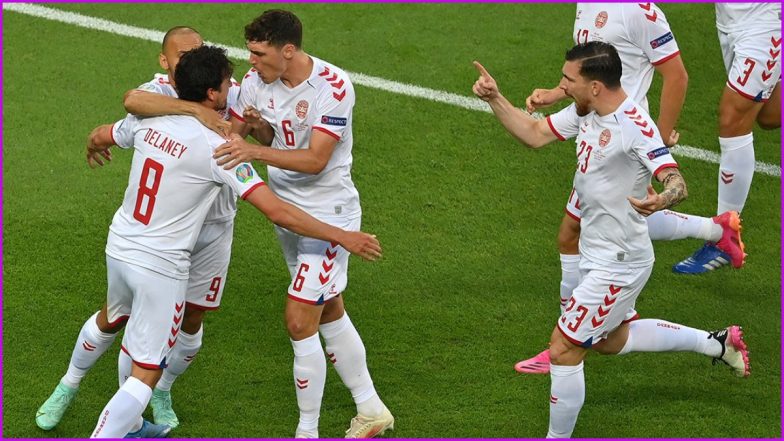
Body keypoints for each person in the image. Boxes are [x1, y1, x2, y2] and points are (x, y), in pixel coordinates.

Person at [83, 44, 381, 438]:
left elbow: (104, 131)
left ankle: (133, 425)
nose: (236, 87)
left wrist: (95, 140)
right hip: (163, 266)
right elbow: (276, 210)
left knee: (134, 343)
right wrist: (342, 236)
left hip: (120, 247)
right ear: (212, 95)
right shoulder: (219, 151)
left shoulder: (146, 120)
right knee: (148, 369)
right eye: (227, 84)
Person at [473, 41, 749, 438]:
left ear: (596, 86)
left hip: (620, 264)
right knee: (611, 340)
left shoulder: (634, 126)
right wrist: (495, 98)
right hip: (598, 254)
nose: (562, 87)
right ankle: (719, 344)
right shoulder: (585, 111)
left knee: (564, 349)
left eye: (569, 80)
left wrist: (663, 198)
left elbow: (675, 180)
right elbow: (534, 134)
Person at [516, 2, 744, 375]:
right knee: (609, 334)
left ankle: (567, 336)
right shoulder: (585, 6)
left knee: (576, 231)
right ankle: (718, 237)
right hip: (594, 124)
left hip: (622, 142)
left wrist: (660, 137)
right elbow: (587, 67)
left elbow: (677, 76)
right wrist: (560, 92)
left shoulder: (641, 11)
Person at [35, 27, 238, 432]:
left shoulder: (226, 84)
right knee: (116, 315)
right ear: (165, 63)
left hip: (211, 227)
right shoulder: (160, 91)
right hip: (159, 239)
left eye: (198, 51)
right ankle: (69, 385)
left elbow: (258, 133)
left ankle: (161, 390)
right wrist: (195, 110)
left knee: (192, 317)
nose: (192, 58)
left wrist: (249, 128)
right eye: (183, 54)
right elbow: (130, 101)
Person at [213, 10, 394, 438]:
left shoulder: (333, 87)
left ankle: (306, 430)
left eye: (259, 53)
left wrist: (255, 153)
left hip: (329, 214)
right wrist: (257, 134)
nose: (251, 61)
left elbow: (314, 160)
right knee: (328, 309)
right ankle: (371, 409)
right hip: (287, 213)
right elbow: (242, 137)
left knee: (298, 319)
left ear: (288, 50)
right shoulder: (256, 83)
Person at [674, 3, 781, 274]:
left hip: (765, 22)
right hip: (730, 21)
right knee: (770, 116)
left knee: (733, 118)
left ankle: (725, 236)